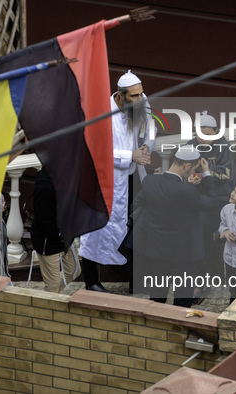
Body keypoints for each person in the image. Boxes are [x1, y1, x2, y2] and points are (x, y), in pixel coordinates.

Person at [79, 70, 155, 293]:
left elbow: (151, 126)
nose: (141, 99)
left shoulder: (140, 100)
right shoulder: (100, 114)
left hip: (132, 177)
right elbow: (94, 151)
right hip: (105, 181)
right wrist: (129, 155)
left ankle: (135, 280)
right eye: (135, 96)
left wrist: (145, 147)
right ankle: (91, 281)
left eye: (142, 94)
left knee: (136, 226)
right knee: (95, 229)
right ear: (121, 96)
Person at [132, 147, 218, 307]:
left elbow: (136, 205)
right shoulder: (187, 191)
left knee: (157, 296)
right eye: (194, 169)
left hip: (156, 250)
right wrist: (206, 174)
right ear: (186, 166)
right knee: (183, 298)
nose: (193, 171)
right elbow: (213, 203)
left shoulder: (150, 181)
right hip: (183, 255)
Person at [187, 111, 236, 305]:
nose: (205, 138)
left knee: (201, 231)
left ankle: (202, 280)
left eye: (209, 134)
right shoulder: (191, 146)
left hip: (220, 198)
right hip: (197, 195)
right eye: (201, 134)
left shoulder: (223, 146)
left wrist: (207, 170)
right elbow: (183, 168)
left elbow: (228, 174)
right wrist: (192, 176)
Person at [31, 168, 80, 293]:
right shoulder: (44, 187)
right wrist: (60, 235)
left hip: (65, 235)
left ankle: (48, 299)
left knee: (74, 270)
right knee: (52, 285)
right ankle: (46, 305)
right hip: (48, 242)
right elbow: (43, 221)